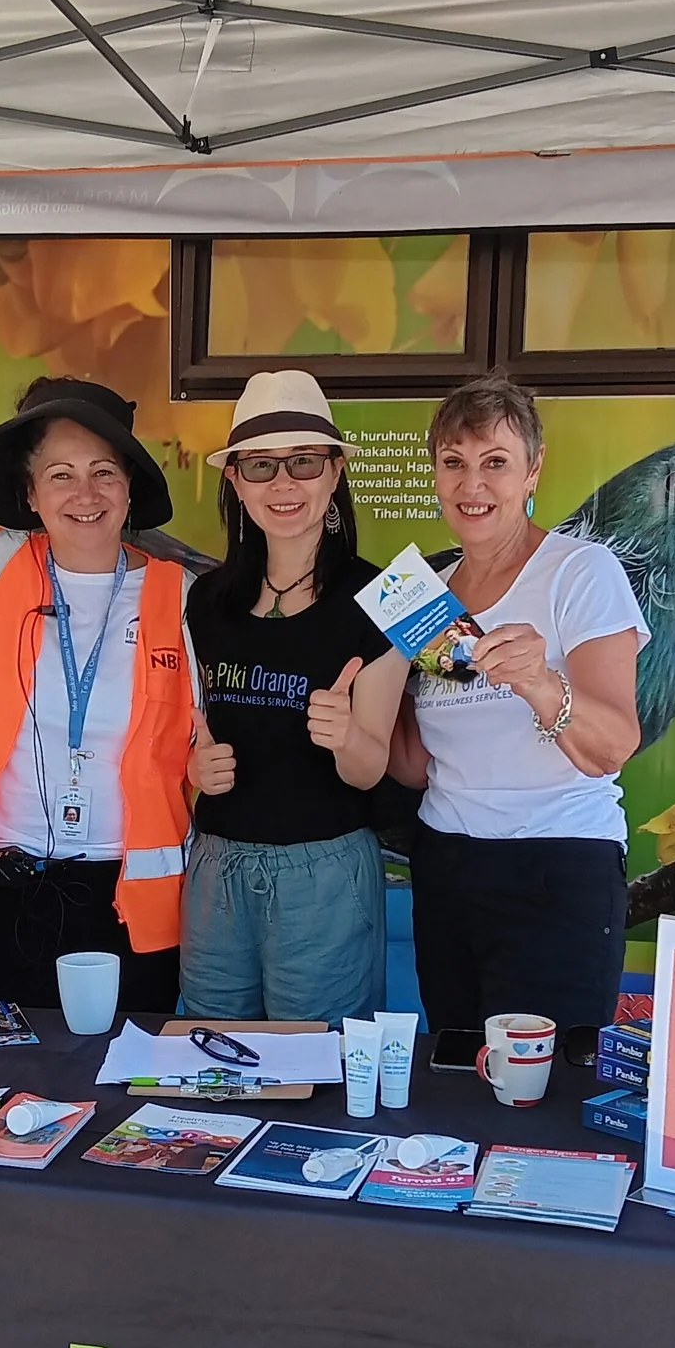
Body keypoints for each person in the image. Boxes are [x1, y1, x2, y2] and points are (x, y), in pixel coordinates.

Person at [389, 374, 647, 1033]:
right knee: (457, 1073)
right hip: (447, 867)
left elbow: (612, 745)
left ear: (532, 472)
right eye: (454, 463)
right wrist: (357, 713)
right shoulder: (426, 594)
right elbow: (419, 765)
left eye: (495, 463)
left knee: (544, 1097)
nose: (472, 485)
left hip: (556, 868)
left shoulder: (580, 572)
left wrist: (539, 682)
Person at [0, 377, 194, 1012]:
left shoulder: (184, 595)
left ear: (130, 486)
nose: (85, 494)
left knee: (122, 1092)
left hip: (132, 903)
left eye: (104, 472)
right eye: (60, 475)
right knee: (1, 1087)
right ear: (29, 494)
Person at [183, 369, 406, 1023]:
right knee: (209, 1062)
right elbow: (194, 730)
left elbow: (373, 769)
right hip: (217, 866)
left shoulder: (397, 595)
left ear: (335, 472)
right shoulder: (203, 599)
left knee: (314, 1067)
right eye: (260, 466)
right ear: (235, 481)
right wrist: (195, 770)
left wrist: (347, 736)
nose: (283, 484)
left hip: (327, 875)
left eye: (304, 462)